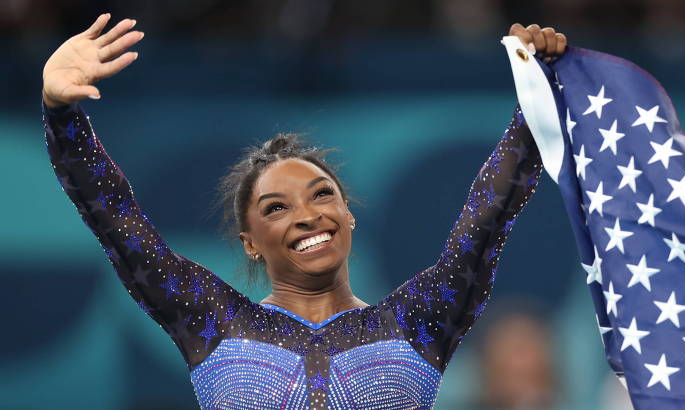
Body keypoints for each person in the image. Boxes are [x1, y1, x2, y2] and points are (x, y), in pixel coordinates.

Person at [41, 14, 566, 409]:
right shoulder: (213, 322)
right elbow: (117, 223)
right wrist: (61, 115)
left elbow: (485, 219)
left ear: (349, 214)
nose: (308, 215)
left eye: (321, 195)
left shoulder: (417, 321)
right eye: (276, 207)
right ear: (249, 241)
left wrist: (536, 101)